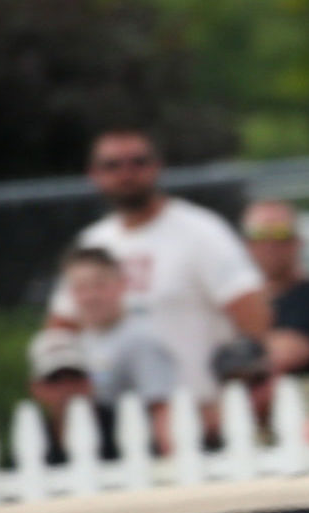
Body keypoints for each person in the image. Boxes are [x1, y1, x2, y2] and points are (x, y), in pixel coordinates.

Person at [46, 127, 268, 440]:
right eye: (112, 165)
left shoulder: (201, 232)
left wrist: (233, 400)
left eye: (138, 162)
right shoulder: (93, 242)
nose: (127, 173)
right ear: (93, 174)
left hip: (200, 416)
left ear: (157, 167)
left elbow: (253, 322)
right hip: (117, 426)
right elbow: (60, 333)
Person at [31, 247, 178, 458]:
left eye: (99, 285)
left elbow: (161, 408)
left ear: (121, 285)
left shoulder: (141, 341)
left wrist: (168, 460)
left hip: (135, 453)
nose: (90, 296)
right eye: (81, 288)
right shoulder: (80, 340)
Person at [242, 201, 309, 379]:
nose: (270, 244)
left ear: (298, 241)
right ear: (246, 243)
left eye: (281, 233)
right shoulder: (244, 301)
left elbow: (283, 356)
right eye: (259, 234)